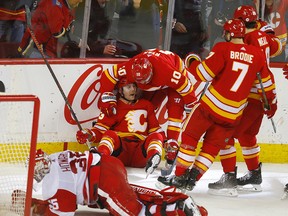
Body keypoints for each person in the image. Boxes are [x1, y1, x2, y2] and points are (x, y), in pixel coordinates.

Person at [157, 18, 277, 192]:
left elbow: (203, 74)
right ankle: (192, 179)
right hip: (232, 115)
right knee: (211, 147)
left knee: (190, 137)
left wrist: (192, 63)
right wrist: (271, 104)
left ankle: (180, 176)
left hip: (209, 108)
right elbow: (267, 84)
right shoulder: (257, 55)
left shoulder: (223, 49)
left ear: (228, 34)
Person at [207, 5, 282, 196]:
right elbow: (278, 46)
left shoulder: (245, 39)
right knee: (247, 135)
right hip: (264, 94)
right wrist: (271, 99)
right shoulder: (263, 35)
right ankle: (254, 174)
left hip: (250, 94)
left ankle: (229, 177)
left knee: (227, 134)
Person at [29, 148, 208, 215]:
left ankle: (178, 211)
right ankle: (180, 202)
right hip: (110, 163)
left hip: (104, 183)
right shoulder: (54, 156)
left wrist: (39, 208)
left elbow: (65, 211)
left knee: (137, 213)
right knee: (135, 196)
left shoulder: (54, 186)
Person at [97, 48, 197, 167]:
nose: (141, 85)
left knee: (175, 111)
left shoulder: (167, 72)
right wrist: (107, 99)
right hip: (155, 76)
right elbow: (108, 75)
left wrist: (191, 105)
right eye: (138, 82)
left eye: (145, 80)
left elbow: (185, 86)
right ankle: (148, 146)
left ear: (151, 73)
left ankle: (172, 148)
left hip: (173, 69)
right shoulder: (129, 68)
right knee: (147, 107)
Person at [76, 79, 165, 176]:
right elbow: (100, 131)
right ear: (120, 90)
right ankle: (101, 160)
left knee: (157, 135)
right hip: (121, 151)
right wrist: (88, 134)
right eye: (128, 87)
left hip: (139, 152)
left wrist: (166, 143)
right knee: (109, 134)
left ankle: (153, 159)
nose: (133, 90)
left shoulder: (146, 105)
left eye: (134, 86)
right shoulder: (113, 107)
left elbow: (155, 129)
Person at [17, 0, 83, 58]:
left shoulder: (65, 6)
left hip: (48, 53)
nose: (81, 1)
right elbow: (58, 32)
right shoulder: (54, 3)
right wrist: (77, 40)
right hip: (35, 51)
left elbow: (67, 29)